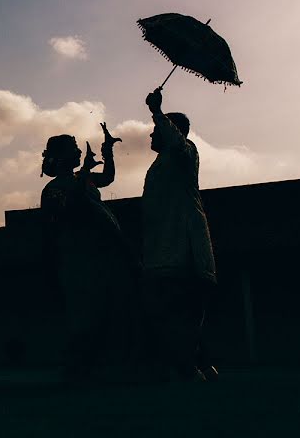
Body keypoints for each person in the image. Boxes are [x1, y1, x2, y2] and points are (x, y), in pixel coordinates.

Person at [40, 123, 136, 381]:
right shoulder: (53, 188)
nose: (78, 152)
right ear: (61, 157)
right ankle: (77, 368)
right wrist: (83, 174)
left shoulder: (83, 179)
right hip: (75, 256)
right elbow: (69, 210)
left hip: (99, 252)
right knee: (84, 312)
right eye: (73, 149)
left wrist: (108, 150)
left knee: (105, 308)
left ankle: (98, 365)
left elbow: (108, 178)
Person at [141, 87, 217, 381]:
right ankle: (192, 363)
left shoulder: (185, 151)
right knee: (170, 310)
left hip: (183, 246)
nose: (151, 135)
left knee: (184, 308)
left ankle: (191, 365)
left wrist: (157, 111)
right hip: (162, 247)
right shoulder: (160, 163)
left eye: (155, 130)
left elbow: (174, 139)